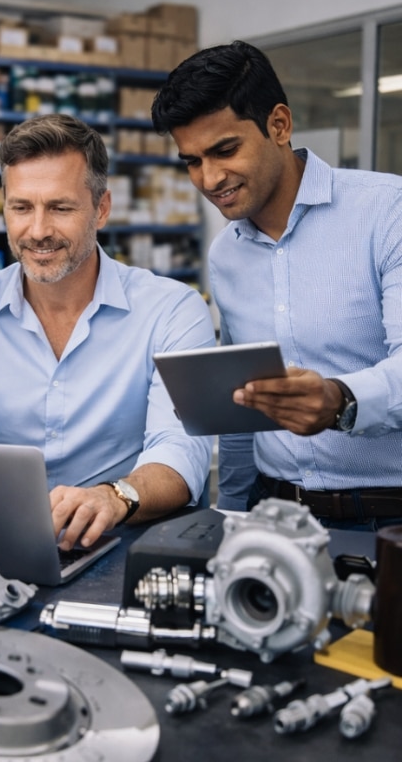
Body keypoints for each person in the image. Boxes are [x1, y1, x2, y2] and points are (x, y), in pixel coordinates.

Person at [0, 113, 216, 550]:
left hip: (126, 543)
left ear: (102, 208)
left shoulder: (172, 310)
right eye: (21, 207)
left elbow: (180, 447)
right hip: (3, 537)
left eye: (60, 207)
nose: (38, 231)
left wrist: (114, 497)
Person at [151, 40, 402, 530]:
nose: (210, 178)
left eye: (225, 150)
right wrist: (233, 511)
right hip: (273, 515)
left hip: (389, 515)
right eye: (192, 161)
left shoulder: (387, 213)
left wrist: (342, 400)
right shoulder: (226, 254)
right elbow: (243, 406)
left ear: (279, 125)